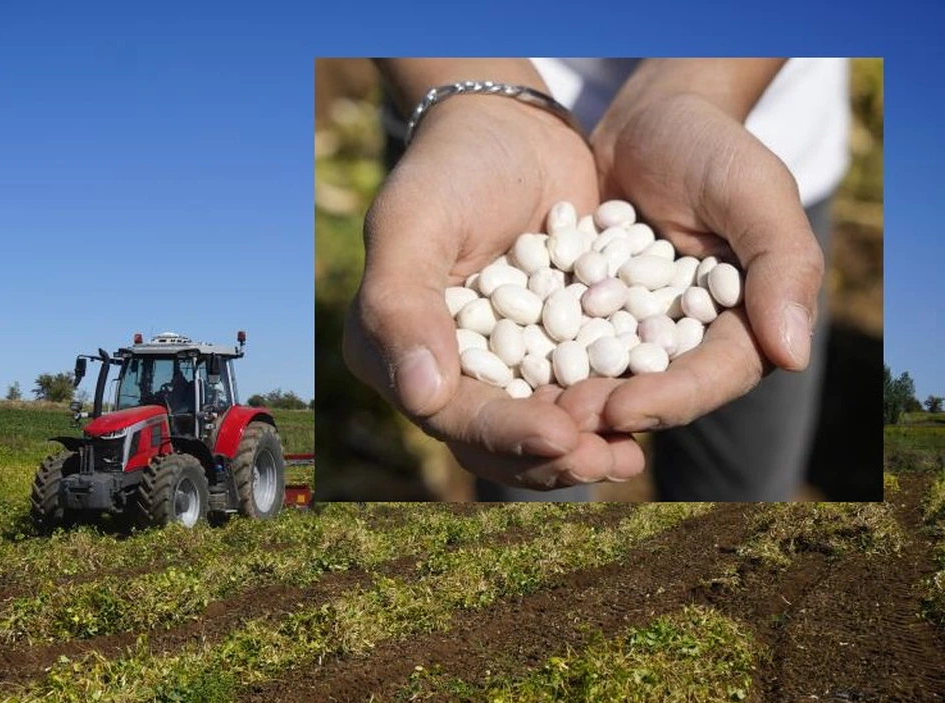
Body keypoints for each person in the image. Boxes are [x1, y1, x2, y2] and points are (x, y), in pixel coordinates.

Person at [343, 58, 848, 500]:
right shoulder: (538, 279)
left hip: (738, 168)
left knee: (744, 483)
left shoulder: (671, 268)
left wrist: (701, 81)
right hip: (464, 134)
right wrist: (466, 84)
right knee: (531, 461)